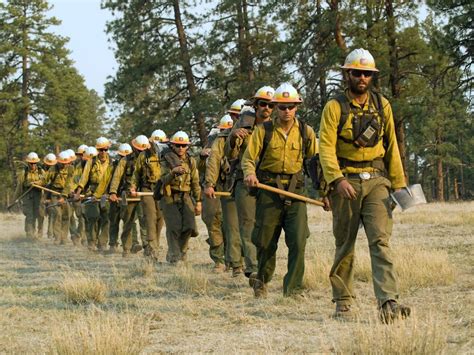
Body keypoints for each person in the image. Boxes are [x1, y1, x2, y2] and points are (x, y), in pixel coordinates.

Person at [318, 48, 411, 323]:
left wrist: (399, 185)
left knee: (380, 241)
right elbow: (325, 147)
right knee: (345, 243)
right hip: (346, 181)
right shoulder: (334, 107)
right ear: (346, 74)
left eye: (366, 74)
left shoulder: (382, 105)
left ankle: (388, 302)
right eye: (356, 73)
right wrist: (336, 180)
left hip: (377, 181)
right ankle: (343, 301)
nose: (361, 78)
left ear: (372, 77)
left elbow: (392, 147)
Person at [241, 83, 318, 297]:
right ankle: (262, 280)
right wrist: (250, 173)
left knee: (298, 241)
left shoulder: (306, 132)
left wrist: (325, 190)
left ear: (297, 107)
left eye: (290, 106)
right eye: (282, 107)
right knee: (265, 241)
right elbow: (248, 159)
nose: (286, 111)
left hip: (296, 192)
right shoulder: (262, 131)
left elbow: (316, 163)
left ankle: (293, 289)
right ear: (275, 107)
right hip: (268, 191)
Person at [225, 85, 275, 284]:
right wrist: (233, 139)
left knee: (268, 226)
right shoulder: (243, 127)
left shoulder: (278, 127)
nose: (267, 109)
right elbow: (231, 156)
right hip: (244, 182)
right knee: (248, 225)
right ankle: (253, 269)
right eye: (263, 104)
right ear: (256, 105)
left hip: (270, 182)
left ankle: (265, 264)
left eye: (271, 105)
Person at [204, 115, 242, 276]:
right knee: (219, 223)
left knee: (242, 226)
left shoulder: (257, 132)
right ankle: (226, 262)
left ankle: (241, 260)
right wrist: (209, 184)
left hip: (243, 185)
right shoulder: (218, 141)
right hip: (222, 187)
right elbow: (212, 164)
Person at [158, 131, 201, 264]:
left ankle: (181, 251)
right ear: (172, 146)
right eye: (177, 145)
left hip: (186, 196)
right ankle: (174, 256)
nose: (180, 148)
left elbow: (195, 182)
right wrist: (173, 173)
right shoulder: (165, 160)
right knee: (174, 227)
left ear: (187, 146)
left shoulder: (191, 161)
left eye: (183, 145)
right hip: (170, 195)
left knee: (190, 226)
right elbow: (162, 180)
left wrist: (198, 201)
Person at [108, 139, 148, 257]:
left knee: (144, 221)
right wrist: (113, 192)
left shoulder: (148, 159)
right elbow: (116, 177)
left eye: (143, 150)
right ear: (134, 148)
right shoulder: (125, 160)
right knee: (128, 221)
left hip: (143, 194)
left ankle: (147, 247)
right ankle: (126, 248)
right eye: (138, 149)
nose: (140, 152)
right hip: (128, 195)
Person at [75, 137, 114, 252]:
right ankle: (91, 242)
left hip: (106, 193)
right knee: (93, 217)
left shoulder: (112, 163)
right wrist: (78, 192)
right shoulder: (91, 162)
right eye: (100, 150)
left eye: (105, 150)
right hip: (91, 192)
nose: (103, 152)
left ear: (108, 150)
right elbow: (84, 178)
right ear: (97, 150)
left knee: (106, 218)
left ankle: (102, 243)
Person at [130, 134, 164, 261]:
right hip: (146, 189)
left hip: (161, 189)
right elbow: (136, 173)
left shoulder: (166, 155)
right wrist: (133, 186)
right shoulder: (143, 156)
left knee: (160, 220)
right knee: (150, 218)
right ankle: (152, 249)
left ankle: (155, 244)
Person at [198, 127, 226, 272]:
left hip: (230, 189)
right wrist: (202, 158)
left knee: (232, 226)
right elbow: (201, 170)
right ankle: (219, 260)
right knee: (213, 223)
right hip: (212, 191)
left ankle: (235, 260)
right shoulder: (209, 147)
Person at [41, 151, 75, 245]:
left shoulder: (71, 168)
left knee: (66, 215)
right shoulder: (53, 168)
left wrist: (64, 196)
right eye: (62, 163)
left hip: (66, 194)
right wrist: (38, 183)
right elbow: (45, 179)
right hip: (55, 193)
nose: (64, 165)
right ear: (58, 162)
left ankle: (64, 238)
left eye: (66, 163)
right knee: (57, 214)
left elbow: (68, 183)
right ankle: (57, 237)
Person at [13, 152, 44, 240]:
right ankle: (30, 234)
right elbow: (19, 187)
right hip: (27, 196)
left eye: (35, 163)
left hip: (39, 196)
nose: (33, 165)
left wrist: (37, 183)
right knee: (30, 215)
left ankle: (40, 232)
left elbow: (46, 182)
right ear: (28, 163)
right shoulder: (24, 172)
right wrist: (15, 199)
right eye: (31, 163)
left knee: (40, 214)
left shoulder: (41, 171)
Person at [70, 144, 88, 246]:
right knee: (81, 217)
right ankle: (82, 238)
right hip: (78, 196)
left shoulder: (92, 165)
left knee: (88, 217)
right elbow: (74, 181)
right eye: (80, 155)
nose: (82, 157)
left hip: (89, 194)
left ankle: (78, 235)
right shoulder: (77, 167)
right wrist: (73, 191)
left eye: (83, 155)